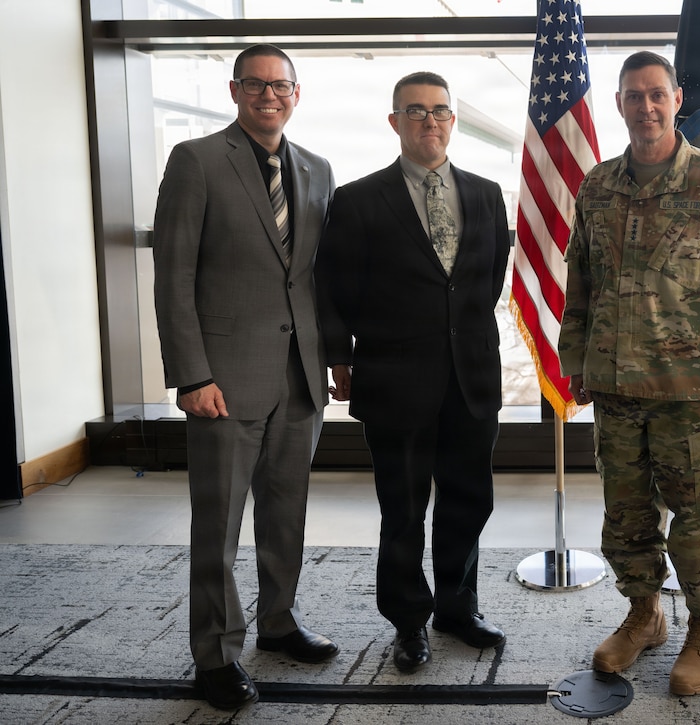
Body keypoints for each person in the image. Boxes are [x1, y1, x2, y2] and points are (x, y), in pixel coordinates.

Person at [558, 51, 700, 697]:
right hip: (617, 386)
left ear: (678, 99)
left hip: (694, 393)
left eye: (657, 94)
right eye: (633, 96)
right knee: (625, 513)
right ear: (619, 103)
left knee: (698, 517)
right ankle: (644, 613)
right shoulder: (597, 185)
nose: (646, 107)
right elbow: (581, 282)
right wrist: (577, 360)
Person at [153, 44, 338, 710]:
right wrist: (190, 374)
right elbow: (173, 277)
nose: (268, 95)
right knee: (220, 523)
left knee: (286, 517)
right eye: (255, 84)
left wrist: (334, 357)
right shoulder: (197, 162)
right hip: (222, 382)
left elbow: (318, 277)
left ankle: (279, 622)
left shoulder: (317, 170)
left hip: (300, 379)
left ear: (296, 93)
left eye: (280, 85)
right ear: (234, 91)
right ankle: (215, 654)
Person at [316, 71, 509, 674]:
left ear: (453, 121)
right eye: (415, 111)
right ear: (394, 121)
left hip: (471, 378)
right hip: (395, 381)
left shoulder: (486, 193)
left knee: (469, 501)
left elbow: (487, 280)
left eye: (439, 111)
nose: (429, 121)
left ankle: (457, 607)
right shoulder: (356, 199)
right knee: (403, 512)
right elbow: (335, 286)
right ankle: (408, 623)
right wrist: (339, 358)